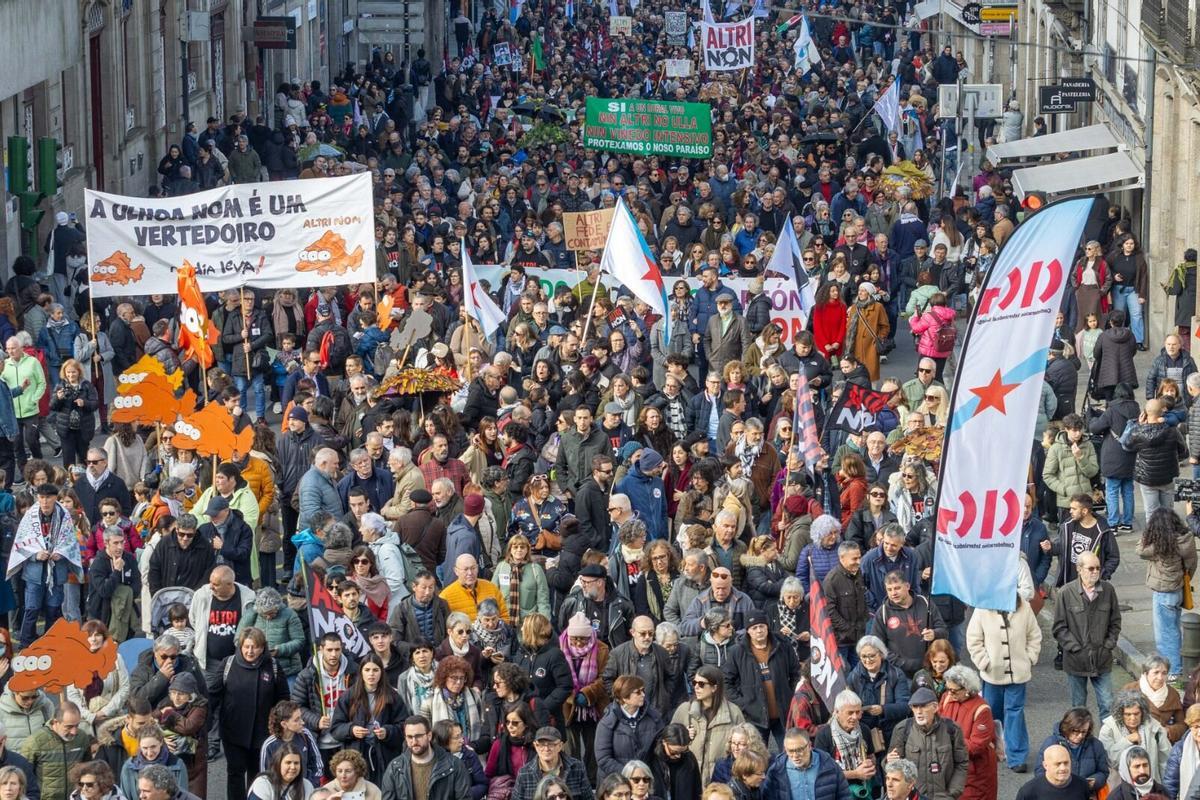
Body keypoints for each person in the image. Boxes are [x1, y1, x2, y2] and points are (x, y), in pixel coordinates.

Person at [215, 626, 290, 799]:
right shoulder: (228, 664)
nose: (250, 651)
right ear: (240, 646)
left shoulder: (273, 666)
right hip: (233, 732)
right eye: (246, 646)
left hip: (262, 733)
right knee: (235, 773)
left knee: (258, 775)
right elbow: (213, 694)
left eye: (255, 647)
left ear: (262, 647)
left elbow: (283, 698)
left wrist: (281, 725)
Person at [1052, 551, 1123, 721]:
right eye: (1091, 568)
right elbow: (1059, 628)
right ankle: (1081, 743)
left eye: (1098, 568)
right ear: (1079, 569)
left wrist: (1108, 646)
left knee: (1107, 705)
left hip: (1101, 659)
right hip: (1076, 661)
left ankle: (1107, 744)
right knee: (1079, 708)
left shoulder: (1108, 590)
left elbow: (1115, 622)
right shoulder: (1065, 593)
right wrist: (1075, 648)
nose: (1095, 572)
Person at [1137, 509, 1198, 680]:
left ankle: (1172, 670)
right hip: (1178, 589)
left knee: (1165, 634)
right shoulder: (1185, 539)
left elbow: (1140, 550)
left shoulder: (1158, 544)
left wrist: (1148, 533)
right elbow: (1192, 563)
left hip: (1163, 592)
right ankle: (1176, 665)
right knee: (1174, 629)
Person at [331, 654, 406, 784]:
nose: (371, 674)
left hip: (384, 754)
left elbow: (404, 726)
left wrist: (387, 732)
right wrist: (351, 730)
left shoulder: (392, 696)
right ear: (361, 672)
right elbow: (336, 728)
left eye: (375, 670)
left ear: (381, 672)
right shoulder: (349, 695)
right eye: (367, 670)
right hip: (356, 754)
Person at [887, 687, 968, 800]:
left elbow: (962, 763)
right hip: (915, 796)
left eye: (923, 706)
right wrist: (888, 761)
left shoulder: (952, 729)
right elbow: (892, 770)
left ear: (935, 707)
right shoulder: (903, 729)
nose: (919, 711)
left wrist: (952, 794)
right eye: (915, 707)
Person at [672, 664, 745, 783]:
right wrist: (682, 736)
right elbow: (668, 745)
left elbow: (745, 748)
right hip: (689, 779)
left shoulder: (734, 713)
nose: (696, 687)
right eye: (694, 682)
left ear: (714, 688)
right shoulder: (684, 710)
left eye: (701, 684)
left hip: (721, 779)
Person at [938, 666, 997, 800]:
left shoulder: (982, 710)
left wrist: (947, 743)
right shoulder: (947, 698)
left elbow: (977, 746)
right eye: (948, 689)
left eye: (954, 691)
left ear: (967, 689)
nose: (949, 694)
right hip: (950, 767)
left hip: (975, 773)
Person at [378, 715, 472, 800]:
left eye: (418, 736)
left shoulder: (454, 765)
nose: (414, 741)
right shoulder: (394, 768)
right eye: (410, 737)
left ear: (429, 736)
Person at [20, 702, 96, 800]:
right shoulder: (35, 741)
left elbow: (88, 769)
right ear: (55, 722)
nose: (74, 731)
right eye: (68, 727)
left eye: (77, 725)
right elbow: (23, 777)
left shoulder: (82, 738)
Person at [595, 675, 665, 777]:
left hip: (646, 781)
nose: (643, 695)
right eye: (638, 692)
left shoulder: (654, 718)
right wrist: (630, 774)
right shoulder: (607, 723)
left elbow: (661, 749)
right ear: (624, 698)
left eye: (643, 690)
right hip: (617, 782)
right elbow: (603, 759)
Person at [1097, 690, 1171, 781]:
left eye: (1136, 714)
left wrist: (1166, 789)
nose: (1132, 718)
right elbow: (1109, 761)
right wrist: (1127, 741)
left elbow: (1166, 761)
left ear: (1142, 713)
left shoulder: (1154, 727)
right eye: (1128, 714)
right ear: (1120, 714)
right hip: (1121, 787)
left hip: (1151, 784)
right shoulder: (1108, 729)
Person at [763, 726, 851, 800]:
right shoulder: (777, 770)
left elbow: (844, 795)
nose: (795, 755)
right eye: (790, 751)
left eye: (800, 750)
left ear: (809, 746)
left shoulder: (829, 766)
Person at [1037, 707, 1109, 794]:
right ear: (1067, 727)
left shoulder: (1096, 745)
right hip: (1057, 793)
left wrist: (1094, 781)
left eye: (1084, 732)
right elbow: (1040, 772)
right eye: (1076, 731)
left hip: (1085, 793)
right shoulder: (1051, 742)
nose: (1080, 736)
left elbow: (1103, 772)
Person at [512, 726, 593, 800]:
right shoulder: (524, 773)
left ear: (560, 746)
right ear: (535, 746)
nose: (546, 749)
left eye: (551, 744)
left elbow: (589, 798)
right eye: (541, 745)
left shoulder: (577, 768)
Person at [1015, 744, 1090, 800]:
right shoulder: (1029, 792)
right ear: (1045, 765)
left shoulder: (1082, 785)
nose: (1063, 768)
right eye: (1058, 764)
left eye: (1066, 763)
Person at [247, 743, 314, 800]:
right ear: (278, 764)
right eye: (288, 762)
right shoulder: (263, 783)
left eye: (296, 763)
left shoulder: (307, 786)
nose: (293, 767)